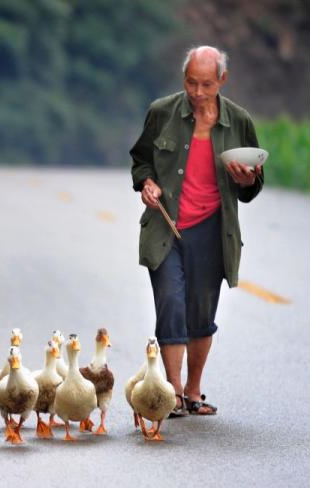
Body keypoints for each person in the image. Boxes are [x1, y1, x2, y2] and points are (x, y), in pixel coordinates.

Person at [130, 46, 263, 416]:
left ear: (222, 80)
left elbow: (252, 187)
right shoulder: (161, 113)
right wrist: (147, 184)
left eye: (206, 84)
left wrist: (247, 179)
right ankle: (172, 392)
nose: (198, 92)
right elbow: (141, 160)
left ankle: (193, 389)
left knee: (201, 314)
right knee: (170, 303)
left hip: (212, 229)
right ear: (183, 78)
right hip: (166, 226)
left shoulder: (238, 121)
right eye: (191, 82)